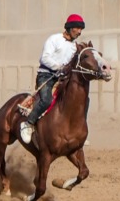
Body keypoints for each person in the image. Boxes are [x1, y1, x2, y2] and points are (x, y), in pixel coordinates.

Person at [19, 14, 86, 145]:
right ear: (69, 27)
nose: (79, 32)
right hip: (47, 76)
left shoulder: (74, 47)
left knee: (81, 100)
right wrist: (58, 67)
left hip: (63, 78)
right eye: (77, 28)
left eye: (80, 29)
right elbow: (44, 58)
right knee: (46, 100)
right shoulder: (54, 39)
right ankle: (28, 124)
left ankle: (75, 132)